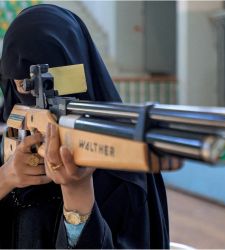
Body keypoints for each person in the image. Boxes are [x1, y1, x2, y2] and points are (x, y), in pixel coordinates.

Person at [0, 4, 175, 249]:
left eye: (56, 84)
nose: (34, 101)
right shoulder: (7, 137)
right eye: (21, 85)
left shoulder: (124, 163)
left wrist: (77, 191)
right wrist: (6, 178)